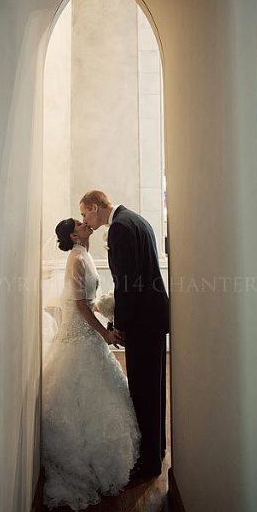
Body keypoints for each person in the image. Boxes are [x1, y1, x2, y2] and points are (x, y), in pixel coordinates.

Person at [42, 218, 140, 511]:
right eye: (81, 224)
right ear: (73, 235)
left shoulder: (84, 255)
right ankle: (82, 466)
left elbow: (89, 299)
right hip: (79, 334)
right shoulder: (75, 259)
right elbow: (79, 306)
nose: (87, 224)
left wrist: (104, 305)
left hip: (88, 332)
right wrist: (106, 333)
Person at [80, 190, 169, 479]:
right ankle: (158, 450)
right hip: (154, 317)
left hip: (141, 322)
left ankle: (149, 464)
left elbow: (127, 283)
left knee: (143, 392)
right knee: (154, 388)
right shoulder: (138, 220)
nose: (86, 220)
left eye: (85, 214)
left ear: (96, 207)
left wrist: (121, 325)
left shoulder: (119, 227)